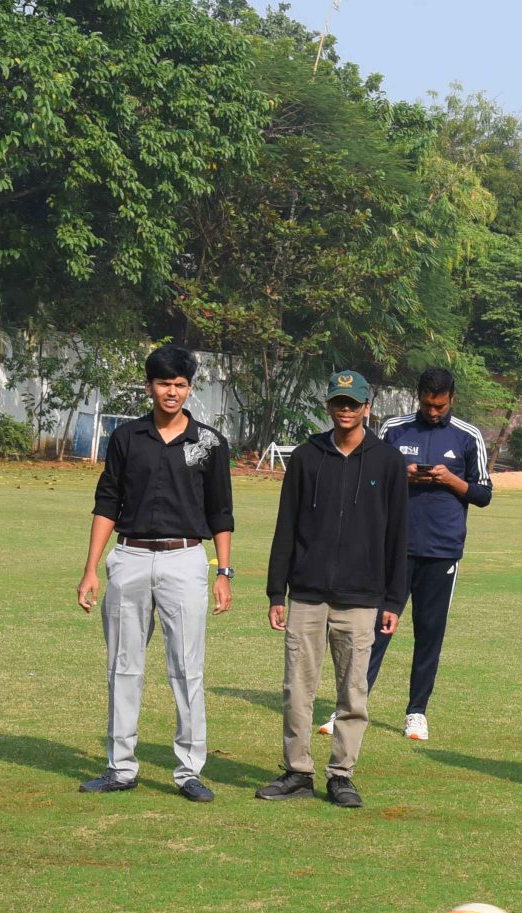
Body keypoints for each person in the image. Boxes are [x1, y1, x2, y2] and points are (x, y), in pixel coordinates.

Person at [75, 345, 235, 801]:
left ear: (189, 388)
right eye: (164, 383)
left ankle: (189, 772)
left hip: (185, 560)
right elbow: (107, 502)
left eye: (180, 384)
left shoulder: (209, 443)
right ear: (149, 386)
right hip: (129, 558)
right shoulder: (127, 438)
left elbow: (221, 511)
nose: (172, 391)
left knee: (187, 668)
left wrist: (224, 572)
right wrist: (91, 569)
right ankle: (120, 767)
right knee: (123, 667)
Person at [257, 369, 409, 809]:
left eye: (353, 403)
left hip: (361, 598)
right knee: (297, 689)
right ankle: (297, 772)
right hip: (306, 593)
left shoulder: (387, 461)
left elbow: (398, 534)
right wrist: (276, 592)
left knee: (353, 693)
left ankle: (341, 775)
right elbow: (286, 527)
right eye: (339, 402)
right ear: (328, 405)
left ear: (367, 408)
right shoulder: (307, 456)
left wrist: (394, 600)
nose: (345, 410)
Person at [365, 366, 493, 741]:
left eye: (440, 406)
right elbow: (368, 479)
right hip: (395, 548)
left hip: (442, 550)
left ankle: (416, 712)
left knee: (429, 633)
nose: (433, 412)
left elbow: (484, 494)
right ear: (417, 397)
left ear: (452, 399)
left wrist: (450, 480)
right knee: (375, 629)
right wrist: (399, 475)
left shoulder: (468, 436)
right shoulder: (394, 429)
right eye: (427, 405)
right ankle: (352, 704)